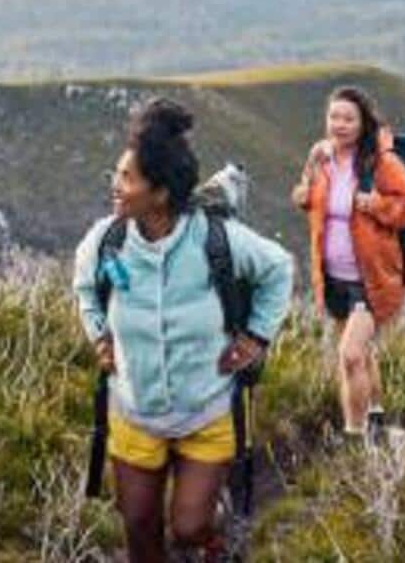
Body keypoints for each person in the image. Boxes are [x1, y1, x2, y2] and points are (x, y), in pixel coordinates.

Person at [74, 98, 294, 562]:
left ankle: (213, 541)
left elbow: (279, 268)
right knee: (139, 526)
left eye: (126, 178)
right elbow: (85, 290)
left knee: (189, 527)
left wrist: (256, 337)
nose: (115, 186)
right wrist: (98, 333)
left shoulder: (216, 240)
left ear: (160, 193)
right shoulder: (105, 241)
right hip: (134, 410)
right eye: (117, 174)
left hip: (205, 411)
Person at [290, 86, 405, 441]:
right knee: (361, 353)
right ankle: (376, 417)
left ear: (363, 122)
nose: (339, 124)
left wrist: (377, 205)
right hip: (332, 275)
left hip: (373, 278)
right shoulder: (320, 156)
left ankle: (353, 439)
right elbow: (308, 194)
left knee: (350, 355)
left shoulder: (380, 162)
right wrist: (303, 197)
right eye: (334, 117)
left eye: (348, 118)